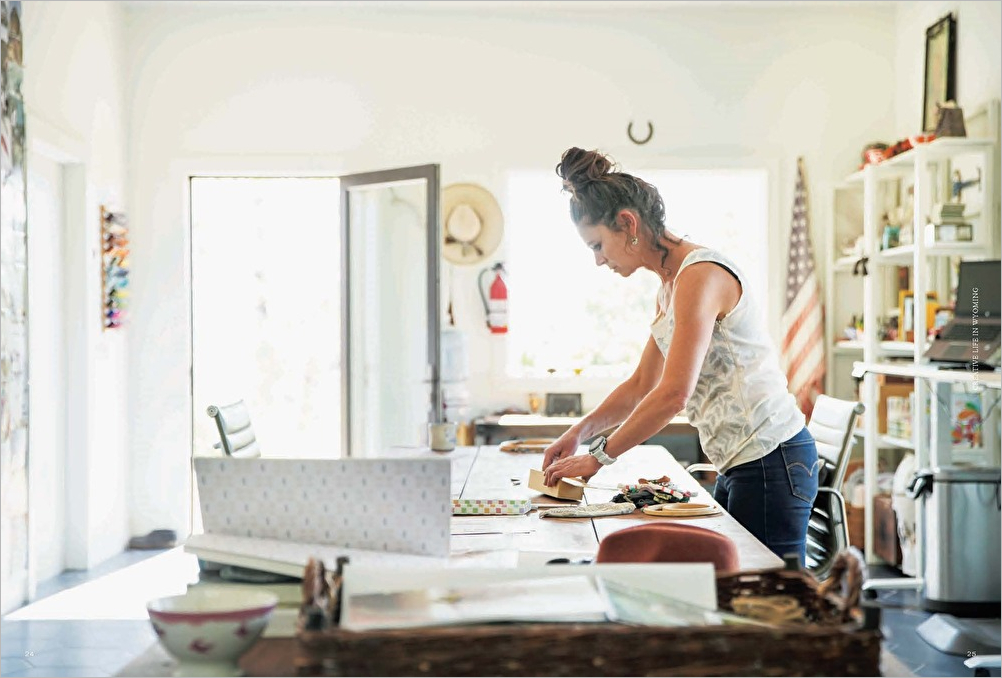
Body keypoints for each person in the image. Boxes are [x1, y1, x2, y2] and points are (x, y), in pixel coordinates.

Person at [542, 147, 820, 564]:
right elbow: (640, 386)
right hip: (740, 461)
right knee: (737, 592)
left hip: (771, 458)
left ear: (627, 224)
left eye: (598, 245)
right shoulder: (668, 287)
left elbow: (674, 395)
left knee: (769, 598)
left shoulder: (700, 275)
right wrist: (577, 434)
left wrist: (597, 459)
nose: (599, 260)